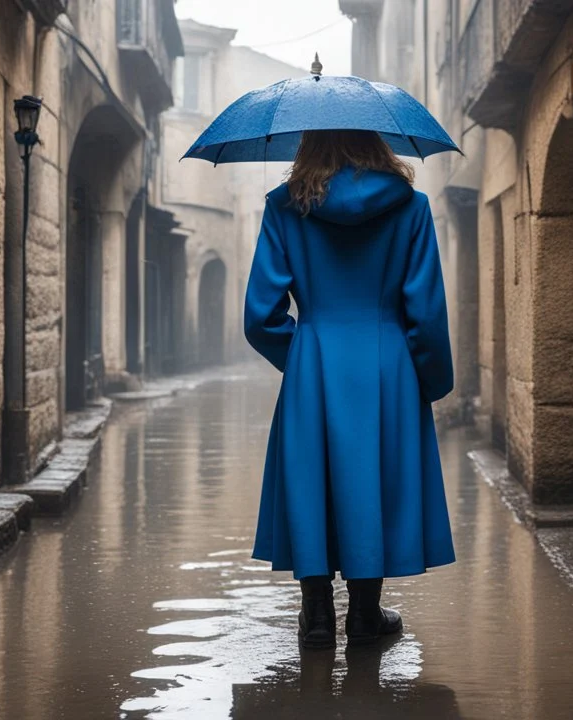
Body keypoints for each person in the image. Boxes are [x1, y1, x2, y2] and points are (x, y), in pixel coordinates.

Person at [244, 129, 455, 649]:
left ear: (309, 148)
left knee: (311, 476)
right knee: (375, 477)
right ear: (376, 143)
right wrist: (425, 380)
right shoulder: (411, 206)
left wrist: (300, 356)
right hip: (388, 364)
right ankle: (364, 614)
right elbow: (425, 312)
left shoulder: (283, 207)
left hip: (313, 361)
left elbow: (260, 316)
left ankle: (316, 616)